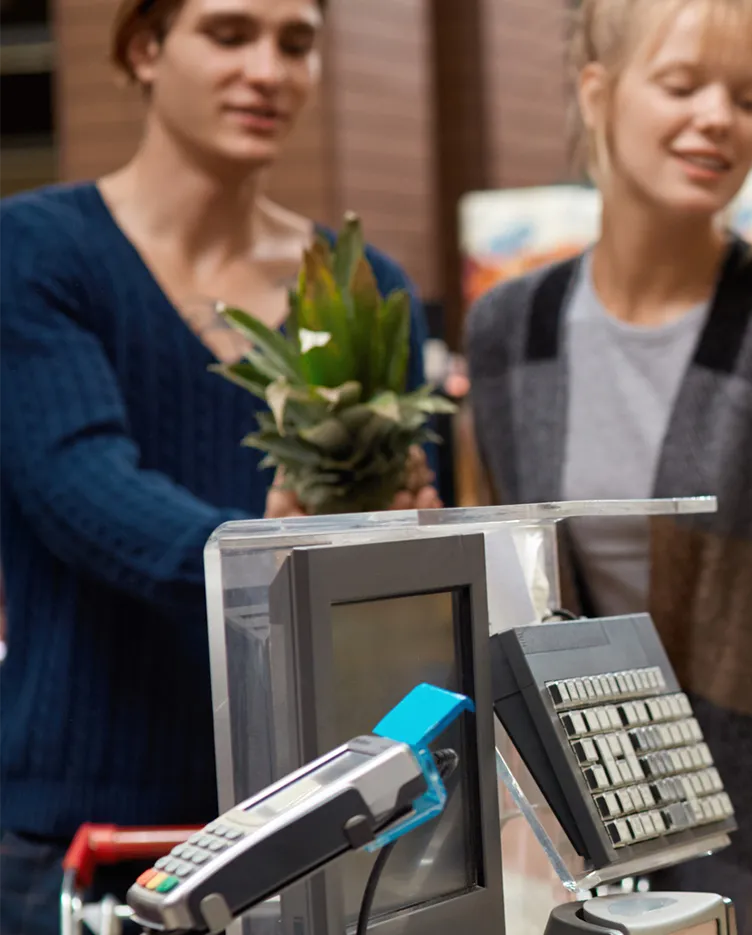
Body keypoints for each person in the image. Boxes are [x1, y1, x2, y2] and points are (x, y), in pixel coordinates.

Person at [462, 1, 752, 933]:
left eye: (750, 98)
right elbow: (504, 595)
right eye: (682, 84)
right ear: (598, 93)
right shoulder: (511, 333)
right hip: (565, 855)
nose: (719, 117)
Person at [0, 2, 438, 932]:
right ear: (146, 47)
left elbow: (399, 538)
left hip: (313, 826)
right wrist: (266, 552)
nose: (268, 71)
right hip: (84, 839)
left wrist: (409, 528)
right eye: (229, 34)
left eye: (295, 42)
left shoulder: (365, 289)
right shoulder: (35, 252)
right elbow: (80, 484)